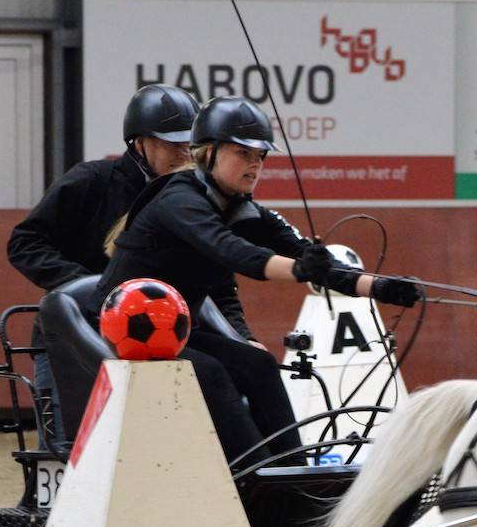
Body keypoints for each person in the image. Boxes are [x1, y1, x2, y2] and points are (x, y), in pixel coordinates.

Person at [92, 94, 422, 465]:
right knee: (211, 372)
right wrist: (298, 270)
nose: (255, 165)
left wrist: (379, 287)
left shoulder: (242, 208)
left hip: (173, 334)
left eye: (261, 156)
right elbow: (231, 250)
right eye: (243, 153)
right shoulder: (179, 200)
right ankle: (258, 476)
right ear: (209, 153)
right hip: (120, 332)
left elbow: (309, 256)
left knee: (258, 364)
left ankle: (293, 473)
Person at [7, 84, 200, 438]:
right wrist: (86, 288)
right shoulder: (91, 181)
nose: (184, 153)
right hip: (71, 334)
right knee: (69, 446)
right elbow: (25, 242)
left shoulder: (192, 198)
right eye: (173, 144)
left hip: (155, 340)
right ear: (139, 143)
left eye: (190, 144)